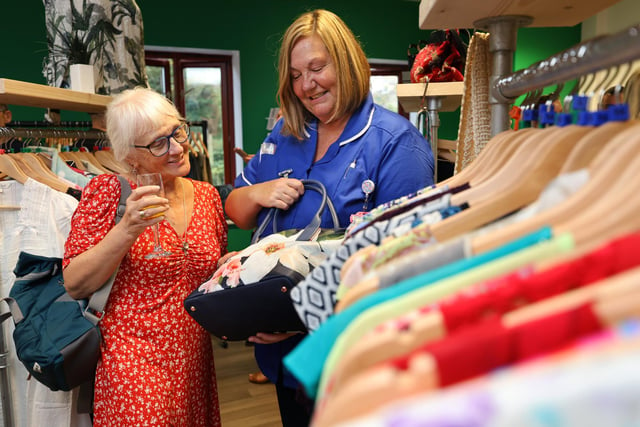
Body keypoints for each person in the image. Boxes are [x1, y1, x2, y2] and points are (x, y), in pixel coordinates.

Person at [224, 9, 434, 426]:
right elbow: (237, 210)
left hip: (353, 360)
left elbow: (407, 264)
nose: (307, 85)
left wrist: (303, 315)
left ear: (348, 63)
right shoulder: (284, 136)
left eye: (317, 68)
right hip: (287, 361)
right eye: (296, 75)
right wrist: (257, 192)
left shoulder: (395, 144)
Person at [62, 87, 228, 426]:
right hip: (133, 367)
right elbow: (75, 284)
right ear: (129, 155)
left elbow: (207, 276)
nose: (178, 148)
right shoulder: (107, 193)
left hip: (195, 364)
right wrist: (126, 229)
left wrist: (231, 267)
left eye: (177, 132)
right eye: (158, 143)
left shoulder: (208, 196)